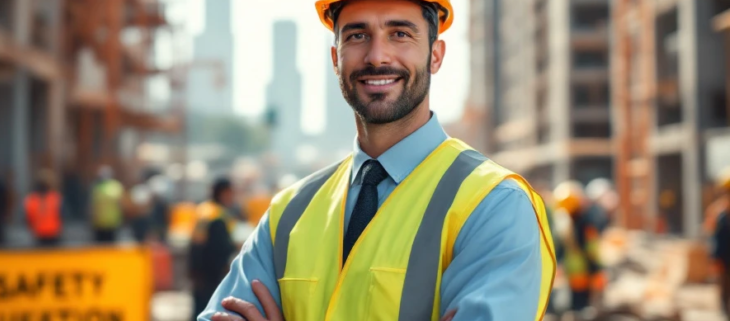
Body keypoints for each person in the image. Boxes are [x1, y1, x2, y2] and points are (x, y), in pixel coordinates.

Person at [198, 1, 556, 320]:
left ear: (435, 54)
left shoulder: (494, 205)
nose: (377, 56)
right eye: (357, 36)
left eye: (399, 33)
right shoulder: (288, 214)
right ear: (336, 58)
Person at [552, 181, 603, 315]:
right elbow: (591, 249)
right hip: (584, 271)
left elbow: (560, 249)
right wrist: (597, 268)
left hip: (574, 272)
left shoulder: (565, 223)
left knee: (576, 306)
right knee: (582, 307)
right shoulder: (585, 223)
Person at [190, 178, 239, 318]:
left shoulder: (204, 210)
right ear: (223, 193)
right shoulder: (218, 215)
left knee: (198, 310)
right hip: (211, 273)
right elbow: (220, 248)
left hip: (198, 271)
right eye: (231, 193)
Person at [23, 169, 64, 247]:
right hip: (48, 235)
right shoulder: (56, 198)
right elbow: (61, 215)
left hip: (44, 235)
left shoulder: (31, 199)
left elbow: (28, 219)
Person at [89, 166, 124, 244]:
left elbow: (120, 204)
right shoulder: (98, 187)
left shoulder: (114, 186)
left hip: (107, 221)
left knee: (106, 246)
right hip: (105, 221)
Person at [712, 167, 730, 317]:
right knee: (724, 290)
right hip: (725, 261)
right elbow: (717, 239)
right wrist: (716, 259)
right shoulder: (721, 216)